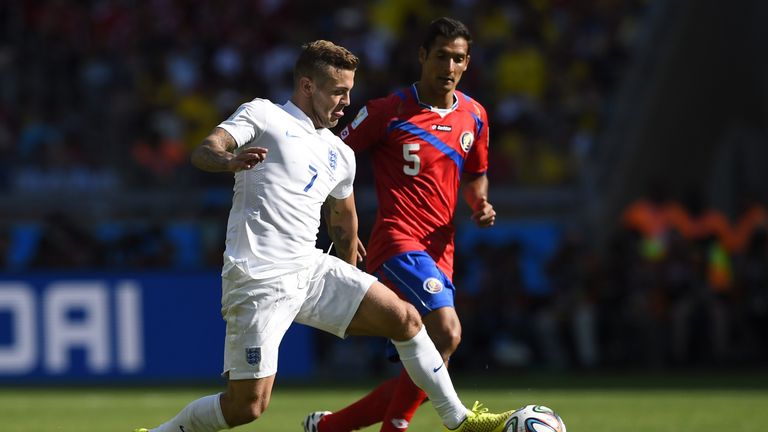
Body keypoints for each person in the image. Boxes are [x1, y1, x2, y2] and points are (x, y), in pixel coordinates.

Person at [133, 40, 512, 432]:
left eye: (349, 91)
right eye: (337, 92)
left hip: (311, 268)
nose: (346, 101)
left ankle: (460, 420)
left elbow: (343, 219)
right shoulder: (264, 115)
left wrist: (353, 279)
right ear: (307, 86)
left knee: (406, 318)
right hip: (259, 277)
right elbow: (206, 150)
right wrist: (229, 160)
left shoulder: (339, 152)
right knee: (246, 407)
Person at [304, 18, 497, 432]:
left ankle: (329, 428)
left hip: (441, 251)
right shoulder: (386, 112)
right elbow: (329, 157)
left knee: (428, 368)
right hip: (396, 242)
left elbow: (476, 173)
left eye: (458, 58)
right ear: (423, 56)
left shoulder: (475, 116)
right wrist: (338, 223)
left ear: (467, 64)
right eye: (441, 56)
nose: (449, 66)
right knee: (446, 333)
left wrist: (479, 202)